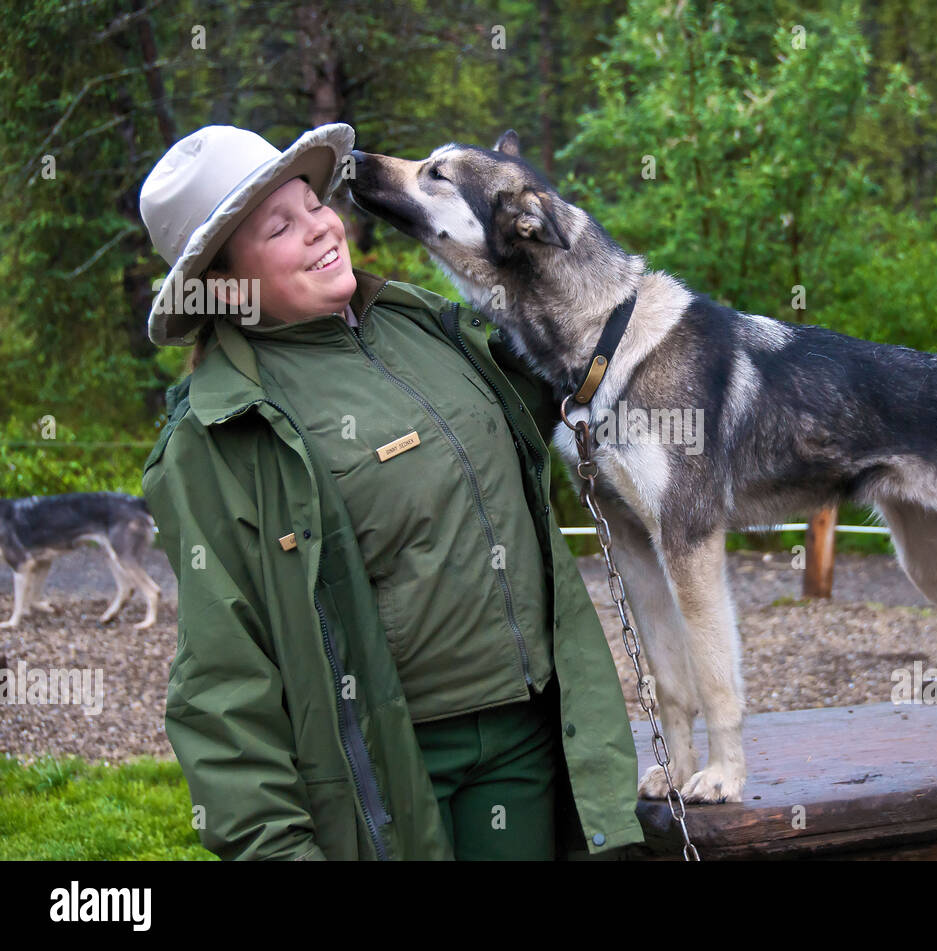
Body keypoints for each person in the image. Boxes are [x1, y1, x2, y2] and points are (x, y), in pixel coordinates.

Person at [138, 123, 646, 860]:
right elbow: (221, 675)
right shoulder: (216, 436)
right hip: (393, 772)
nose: (322, 228)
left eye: (312, 202)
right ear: (226, 284)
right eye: (280, 227)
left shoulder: (420, 324)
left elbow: (564, 399)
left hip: (528, 739)